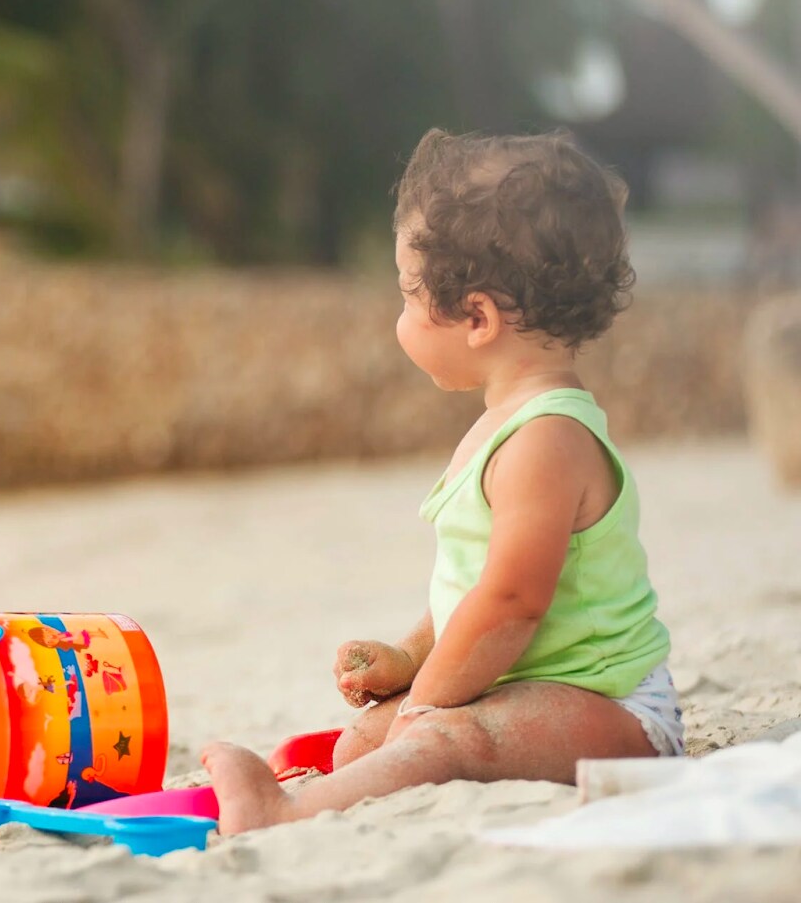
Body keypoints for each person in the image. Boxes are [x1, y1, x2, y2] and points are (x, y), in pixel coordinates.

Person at [202, 129, 683, 834]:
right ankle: (343, 773)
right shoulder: (505, 426)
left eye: (407, 294)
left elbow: (512, 601)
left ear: (478, 317)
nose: (399, 316)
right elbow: (476, 586)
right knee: (365, 740)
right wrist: (409, 659)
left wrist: (426, 705)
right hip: (537, 683)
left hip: (616, 708)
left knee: (444, 738)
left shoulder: (546, 439)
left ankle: (279, 812)